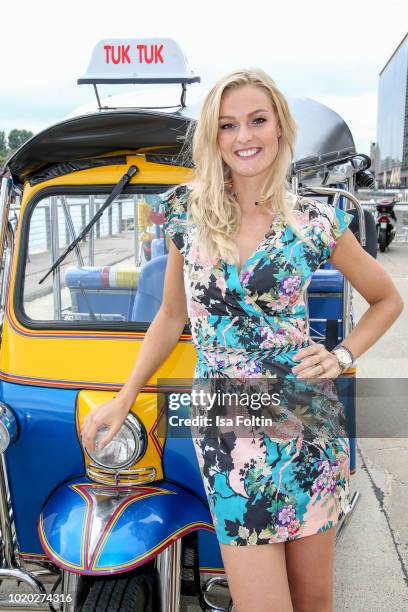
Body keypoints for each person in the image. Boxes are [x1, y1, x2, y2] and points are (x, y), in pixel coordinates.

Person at [80, 69, 404, 612]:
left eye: (257, 120)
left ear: (280, 128)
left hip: (305, 421)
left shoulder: (316, 220)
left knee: (313, 600)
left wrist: (342, 355)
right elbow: (168, 317)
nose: (243, 136)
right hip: (228, 432)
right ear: (213, 137)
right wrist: (125, 396)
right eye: (228, 125)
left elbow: (387, 298)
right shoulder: (184, 211)